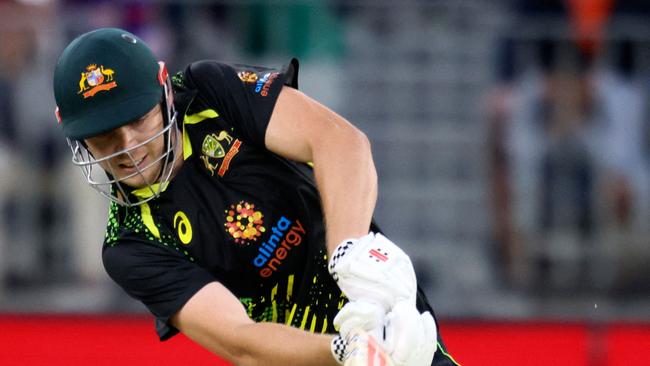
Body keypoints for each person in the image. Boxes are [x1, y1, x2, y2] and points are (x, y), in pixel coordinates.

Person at [52, 28, 459, 366]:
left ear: (164, 90)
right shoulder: (129, 244)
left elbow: (340, 143)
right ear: (69, 129)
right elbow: (240, 341)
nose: (127, 147)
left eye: (138, 119)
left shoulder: (208, 93)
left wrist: (353, 264)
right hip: (301, 356)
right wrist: (350, 350)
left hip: (376, 296)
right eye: (104, 134)